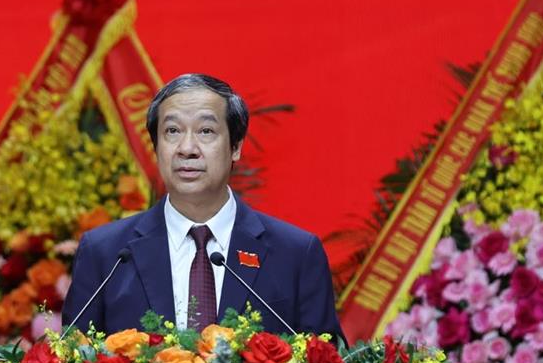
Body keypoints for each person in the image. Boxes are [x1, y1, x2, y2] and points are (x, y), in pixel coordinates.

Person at [63, 73, 345, 343]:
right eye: (172, 131)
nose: (187, 148)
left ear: (236, 146)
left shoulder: (295, 255)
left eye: (206, 131)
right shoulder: (106, 254)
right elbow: (71, 361)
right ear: (156, 147)